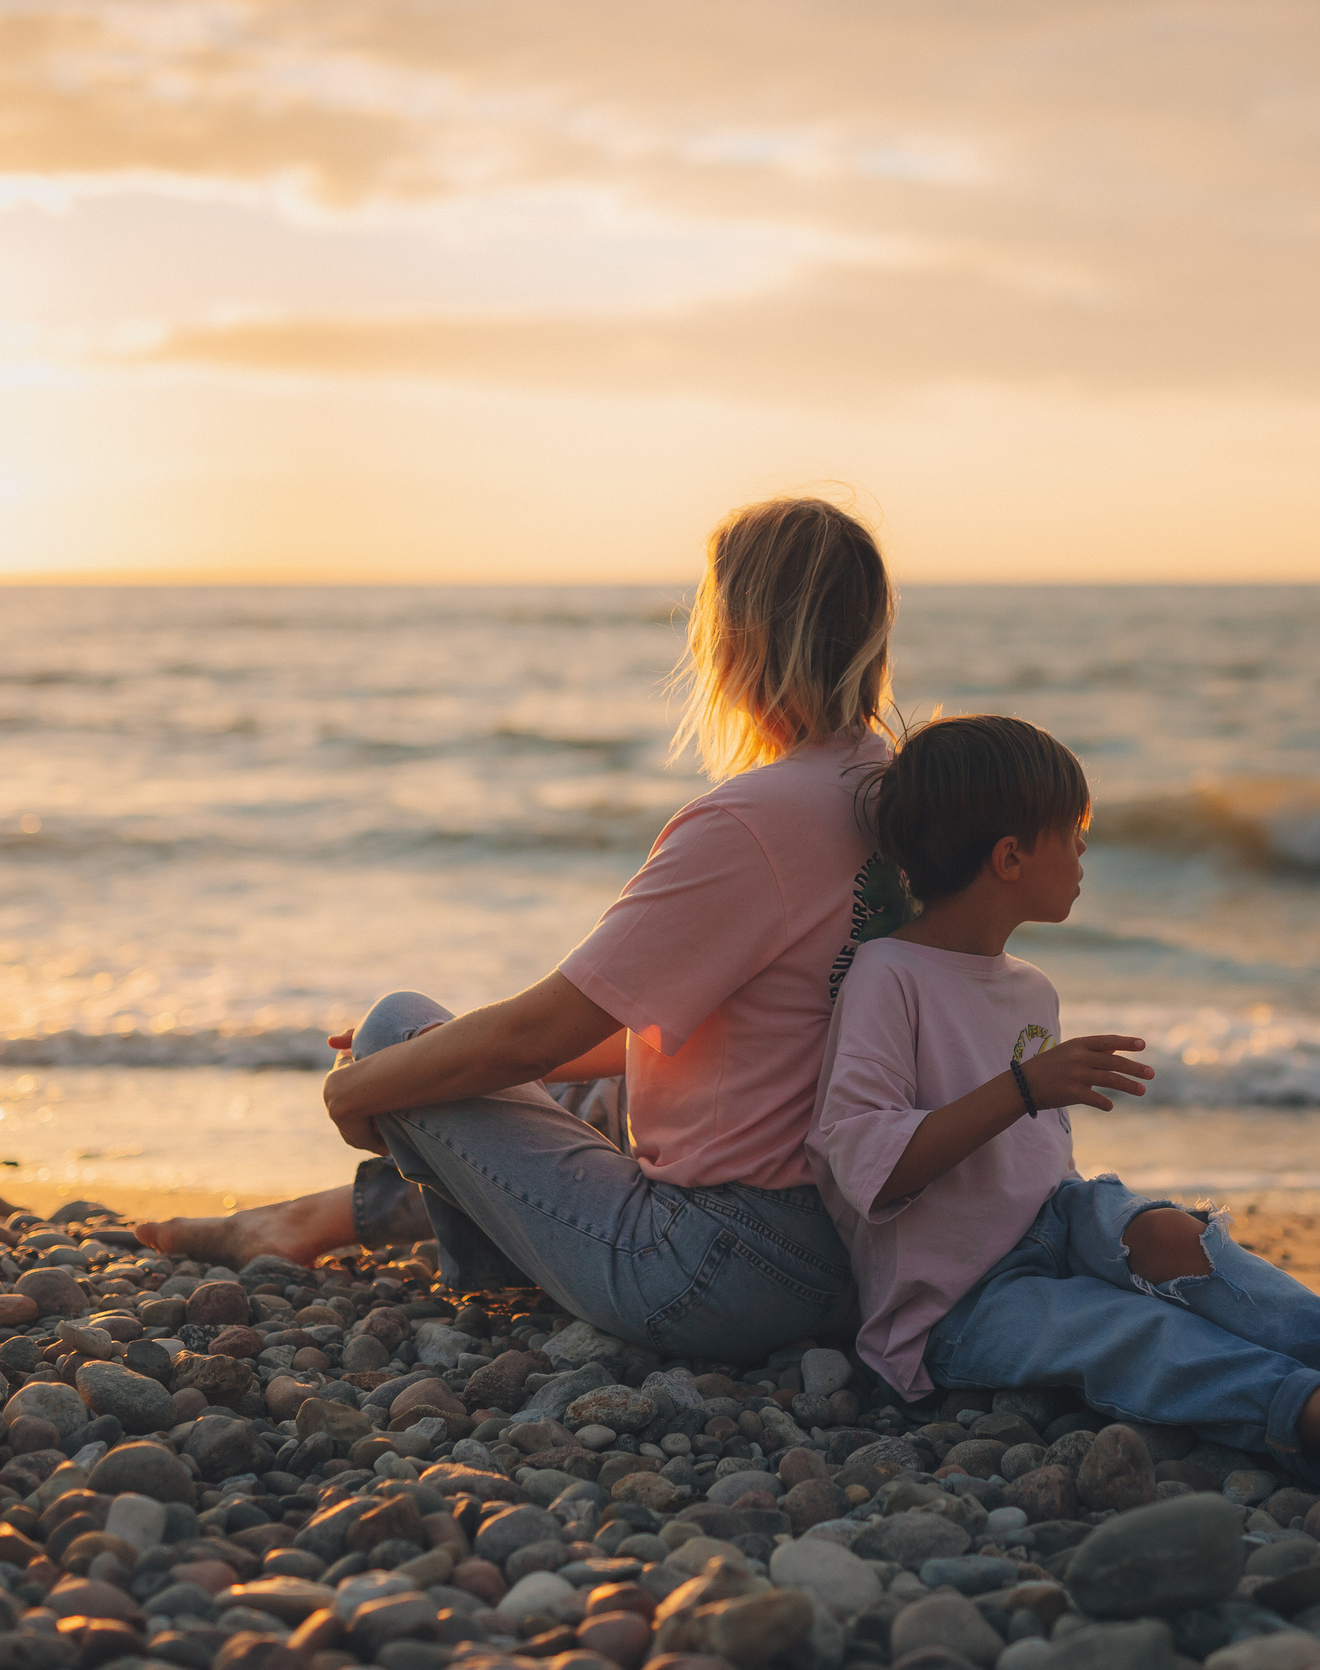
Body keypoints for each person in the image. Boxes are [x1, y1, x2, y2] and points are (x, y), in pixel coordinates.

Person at [138, 497, 911, 1363]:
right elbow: (725, 1040)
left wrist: (364, 1084)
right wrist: (439, 1067)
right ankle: (319, 1218)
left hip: (715, 1270)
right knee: (574, 1092)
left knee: (399, 1024)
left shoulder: (752, 821)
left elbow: (536, 1034)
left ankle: (488, 1268)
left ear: (737, 637)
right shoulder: (900, 794)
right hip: (854, 1246)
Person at [807, 714, 1320, 1482]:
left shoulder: (1032, 987)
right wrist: (1025, 1088)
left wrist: (1043, 1124)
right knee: (1132, 1329)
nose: (1084, 850)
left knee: (1181, 1239)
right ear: (1009, 857)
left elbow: (1031, 1165)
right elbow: (871, 1166)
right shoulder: (888, 974)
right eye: (1072, 832)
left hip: (1052, 1222)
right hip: (955, 1301)